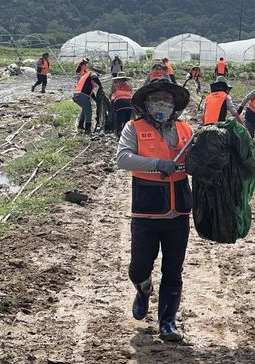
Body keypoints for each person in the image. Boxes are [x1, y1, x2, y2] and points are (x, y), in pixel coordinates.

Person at [116, 78, 192, 342]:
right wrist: (157, 163)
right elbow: (123, 159)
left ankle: (167, 323)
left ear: (175, 105)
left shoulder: (185, 130)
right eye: (157, 99)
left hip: (179, 211)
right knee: (139, 267)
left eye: (168, 100)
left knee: (173, 270)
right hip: (146, 211)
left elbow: (195, 160)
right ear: (146, 103)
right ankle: (143, 289)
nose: (162, 104)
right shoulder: (133, 128)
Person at [73, 70, 103, 134]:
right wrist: (100, 85)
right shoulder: (92, 73)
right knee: (89, 111)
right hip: (82, 95)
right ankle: (87, 128)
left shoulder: (86, 79)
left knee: (85, 109)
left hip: (77, 95)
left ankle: (80, 125)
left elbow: (91, 94)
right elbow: (94, 77)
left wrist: (96, 101)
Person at [110, 72, 133, 137]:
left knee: (119, 119)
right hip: (129, 104)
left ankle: (119, 133)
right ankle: (126, 133)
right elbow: (131, 94)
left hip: (119, 103)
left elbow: (111, 94)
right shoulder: (129, 86)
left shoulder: (115, 85)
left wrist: (111, 102)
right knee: (127, 120)